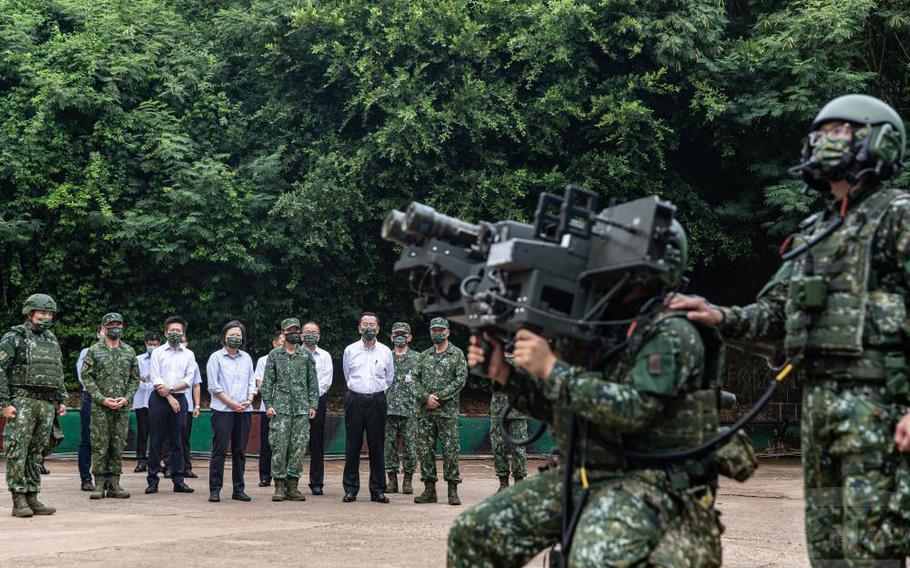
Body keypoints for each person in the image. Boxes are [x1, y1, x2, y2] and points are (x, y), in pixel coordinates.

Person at [669, 94, 910, 567]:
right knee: (827, 549)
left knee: (875, 548)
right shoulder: (813, 231)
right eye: (819, 134)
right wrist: (717, 316)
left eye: (838, 133)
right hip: (819, 409)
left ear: (877, 142)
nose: (823, 143)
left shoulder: (897, 215)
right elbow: (773, 316)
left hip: (882, 410)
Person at [448, 222, 730, 567]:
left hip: (653, 480)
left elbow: (633, 411)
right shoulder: (594, 329)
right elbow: (561, 410)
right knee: (472, 533)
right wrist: (507, 376)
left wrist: (552, 368)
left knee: (593, 558)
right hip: (585, 472)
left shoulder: (672, 331)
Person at [0, 293, 67, 518]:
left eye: (50, 313)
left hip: (46, 403)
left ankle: (32, 495)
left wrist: (61, 399)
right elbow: (0, 369)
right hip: (22, 401)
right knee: (18, 450)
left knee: (37, 452)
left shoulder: (51, 339)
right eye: (42, 313)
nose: (46, 317)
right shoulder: (14, 337)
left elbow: (57, 370)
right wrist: (4, 403)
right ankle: (18, 499)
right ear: (30, 313)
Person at [80, 313, 140, 500]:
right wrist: (100, 398)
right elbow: (86, 376)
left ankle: (114, 484)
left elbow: (134, 378)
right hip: (100, 408)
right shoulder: (94, 350)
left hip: (121, 408)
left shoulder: (129, 351)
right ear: (104, 328)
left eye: (119, 324)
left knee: (117, 445)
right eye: (112, 325)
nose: (116, 328)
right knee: (100, 445)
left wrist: (127, 398)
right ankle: (99, 484)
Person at [261, 318, 318, 502]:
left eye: (296, 330)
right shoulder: (274, 355)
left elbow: (313, 383)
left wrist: (313, 405)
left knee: (298, 448)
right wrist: (268, 404)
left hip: (301, 408)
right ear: (284, 333)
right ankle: (279, 485)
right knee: (279, 445)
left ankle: (293, 486)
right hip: (280, 408)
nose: (294, 333)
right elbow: (268, 382)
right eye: (290, 330)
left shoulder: (306, 355)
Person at [412, 317, 467, 506]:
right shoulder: (424, 356)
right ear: (430, 332)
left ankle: (453, 490)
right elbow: (413, 380)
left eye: (441, 330)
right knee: (425, 451)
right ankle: (429, 490)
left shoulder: (457, 354)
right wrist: (426, 397)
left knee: (450, 451)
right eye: (434, 330)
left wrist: (438, 397)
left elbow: (460, 380)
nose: (438, 333)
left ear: (448, 332)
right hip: (425, 412)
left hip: (447, 413)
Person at [341, 312, 394, 503]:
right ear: (359, 328)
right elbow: (348, 375)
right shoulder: (350, 350)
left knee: (377, 445)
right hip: (355, 400)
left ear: (378, 328)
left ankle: (378, 490)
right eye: (365, 324)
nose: (368, 327)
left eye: (372, 324)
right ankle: (350, 489)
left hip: (377, 401)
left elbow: (389, 378)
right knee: (352, 445)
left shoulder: (386, 351)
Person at [206, 320, 256, 502]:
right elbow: (214, 386)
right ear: (224, 337)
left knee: (240, 450)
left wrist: (249, 400)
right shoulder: (216, 358)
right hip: (223, 410)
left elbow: (252, 381)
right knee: (219, 450)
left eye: (238, 335)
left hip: (245, 409)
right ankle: (215, 489)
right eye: (231, 335)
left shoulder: (247, 358)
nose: (234, 338)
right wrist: (232, 404)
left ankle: (238, 489)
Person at [146, 315, 197, 494]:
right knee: (156, 441)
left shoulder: (189, 354)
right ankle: (152, 480)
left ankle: (179, 480)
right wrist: (169, 396)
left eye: (179, 331)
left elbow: (189, 379)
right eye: (172, 330)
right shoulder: (158, 352)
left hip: (180, 398)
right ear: (166, 332)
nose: (176, 333)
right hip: (159, 399)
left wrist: (173, 391)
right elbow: (155, 377)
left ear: (183, 334)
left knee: (178, 441)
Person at [385, 322, 420, 495]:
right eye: (397, 334)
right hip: (388, 409)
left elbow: (423, 383)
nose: (400, 337)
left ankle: (408, 480)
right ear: (391, 337)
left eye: (403, 335)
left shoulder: (418, 358)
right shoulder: (385, 356)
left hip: (410, 410)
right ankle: (391, 480)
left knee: (410, 447)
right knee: (389, 447)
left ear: (409, 337)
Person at [301, 321, 333, 495]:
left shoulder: (325, 356)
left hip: (317, 402)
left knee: (316, 443)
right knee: (292, 442)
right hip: (295, 402)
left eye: (314, 332)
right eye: (307, 331)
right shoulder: (293, 353)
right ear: (301, 335)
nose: (310, 334)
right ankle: (287, 481)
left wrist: (311, 400)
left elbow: (325, 382)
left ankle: (317, 482)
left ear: (319, 336)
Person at [254, 330, 284, 487]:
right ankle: (265, 476)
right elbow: (259, 383)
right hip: (268, 407)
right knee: (266, 443)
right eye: (281, 343)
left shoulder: (294, 359)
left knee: (285, 443)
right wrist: (270, 401)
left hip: (287, 409)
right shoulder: (263, 360)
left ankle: (283, 476)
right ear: (274, 343)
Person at [75, 327, 102, 491]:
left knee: (110, 441)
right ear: (99, 332)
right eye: (106, 329)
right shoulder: (88, 351)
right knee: (87, 439)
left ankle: (107, 478)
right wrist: (100, 395)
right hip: (91, 398)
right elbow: (82, 376)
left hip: (113, 401)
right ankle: (86, 478)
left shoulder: (122, 351)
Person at [133, 332, 160, 472]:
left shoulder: (162, 358)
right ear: (145, 344)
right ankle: (141, 461)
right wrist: (140, 377)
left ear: (159, 345)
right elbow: (131, 375)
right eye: (150, 344)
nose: (152, 347)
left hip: (157, 400)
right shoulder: (138, 359)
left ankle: (156, 461)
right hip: (142, 400)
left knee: (158, 433)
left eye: (155, 345)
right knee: (143, 432)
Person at [489, 389, 527, 492]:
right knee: (498, 447)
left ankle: (519, 483)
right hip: (498, 410)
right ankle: (503, 483)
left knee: (519, 449)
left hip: (518, 411)